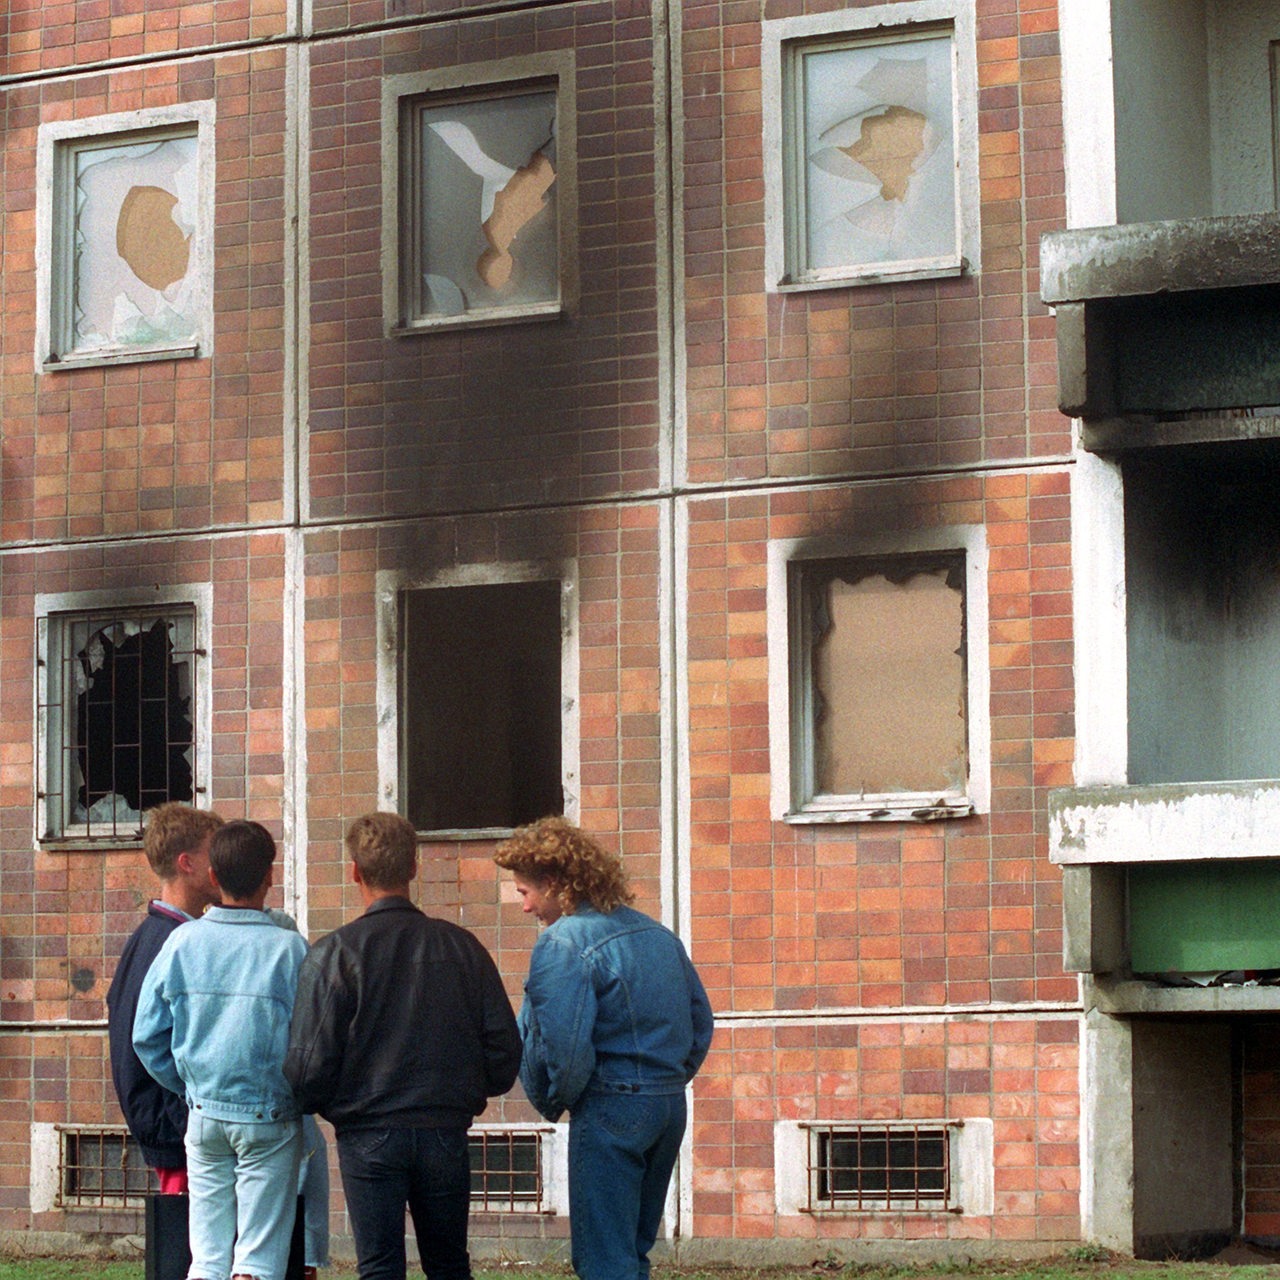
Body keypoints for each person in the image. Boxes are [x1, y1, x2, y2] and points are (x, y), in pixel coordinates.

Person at [284, 812, 522, 1280]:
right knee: (450, 1265)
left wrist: (334, 1105)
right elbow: (503, 1052)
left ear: (354, 870)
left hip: (367, 1132)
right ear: (414, 868)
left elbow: (308, 1068)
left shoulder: (334, 953)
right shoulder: (462, 947)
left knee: (379, 1268)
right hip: (443, 1128)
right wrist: (465, 1091)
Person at [493, 817, 714, 1280]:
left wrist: (561, 1099)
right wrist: (667, 1079)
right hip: (668, 1104)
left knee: (603, 1261)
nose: (524, 906)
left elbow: (566, 1049)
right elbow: (700, 1022)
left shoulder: (562, 943)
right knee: (632, 1251)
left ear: (553, 884)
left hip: (611, 1106)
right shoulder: (656, 933)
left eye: (524, 893)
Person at [134, 820, 309, 1280]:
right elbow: (313, 1039)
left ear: (213, 877)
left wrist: (189, 1084)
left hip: (204, 1113)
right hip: (270, 1114)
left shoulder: (181, 942)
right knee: (259, 1257)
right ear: (270, 876)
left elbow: (146, 1036)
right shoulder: (291, 949)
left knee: (207, 1256)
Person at [107, 802, 225, 1192]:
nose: (222, 865)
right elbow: (143, 1045)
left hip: (174, 1130)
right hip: (178, 1136)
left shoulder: (153, 937)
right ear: (187, 863)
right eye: (214, 854)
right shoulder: (170, 942)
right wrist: (187, 1119)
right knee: (192, 1250)